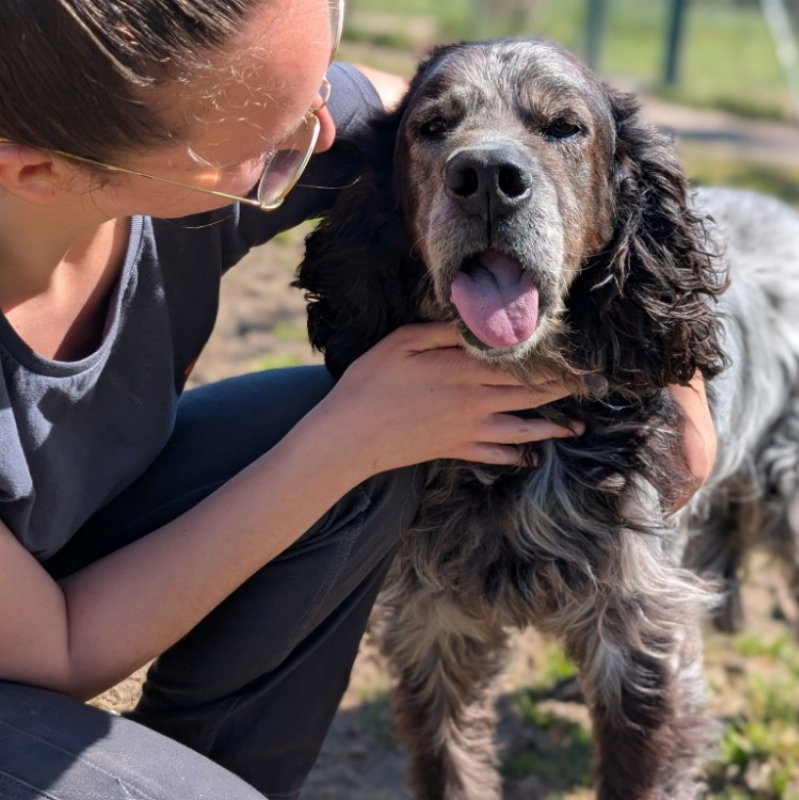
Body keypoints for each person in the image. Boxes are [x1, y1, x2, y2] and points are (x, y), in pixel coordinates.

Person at [0, 1, 718, 797]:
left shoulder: (196, 125)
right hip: (26, 649)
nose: (321, 135)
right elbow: (53, 651)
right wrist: (343, 443)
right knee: (358, 429)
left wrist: (674, 370)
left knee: (387, 427)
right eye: (275, 141)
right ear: (39, 171)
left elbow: (403, 114)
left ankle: (222, 762)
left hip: (56, 554)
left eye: (313, 92)